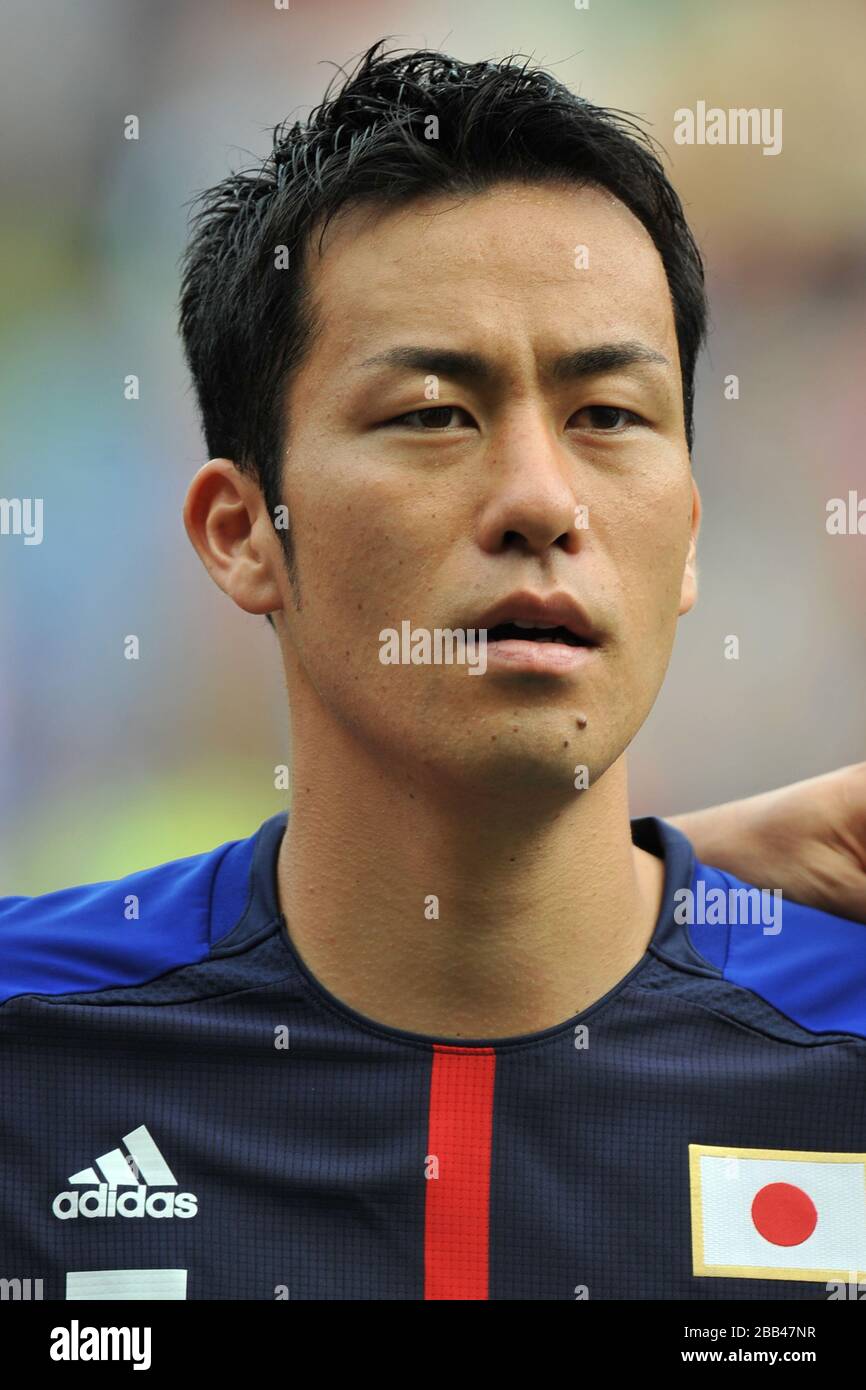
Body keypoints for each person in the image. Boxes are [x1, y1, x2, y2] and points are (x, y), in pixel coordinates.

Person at [2, 40, 864, 1302]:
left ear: (687, 529)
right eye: (429, 413)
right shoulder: (37, 1053)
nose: (538, 499)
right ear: (243, 535)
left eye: (608, 417)